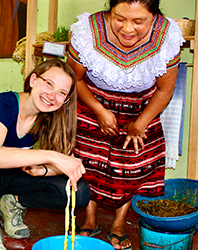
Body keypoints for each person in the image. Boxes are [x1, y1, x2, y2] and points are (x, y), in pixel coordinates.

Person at [67, 0, 184, 249]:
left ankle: (119, 224)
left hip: (141, 108)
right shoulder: (88, 31)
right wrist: (99, 111)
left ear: (154, 16)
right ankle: (89, 219)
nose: (128, 28)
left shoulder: (167, 35)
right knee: (88, 161)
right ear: (110, 11)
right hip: (92, 101)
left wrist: (140, 124)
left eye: (139, 21)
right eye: (119, 18)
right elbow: (74, 79)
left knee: (132, 166)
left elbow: (165, 89)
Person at [0, 58, 91, 250]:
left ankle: (12, 203)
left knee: (80, 192)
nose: (52, 96)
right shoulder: (3, 104)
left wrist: (41, 171)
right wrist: (51, 156)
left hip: (11, 179)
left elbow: (65, 164)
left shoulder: (51, 118)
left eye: (62, 93)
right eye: (48, 84)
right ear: (33, 80)